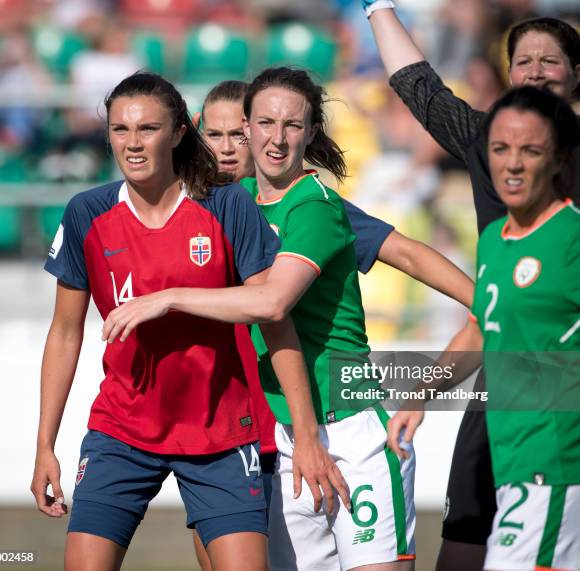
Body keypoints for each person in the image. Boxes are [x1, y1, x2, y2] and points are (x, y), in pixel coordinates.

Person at [103, 67, 478, 570]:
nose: (239, 144)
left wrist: (481, 306)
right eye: (221, 134)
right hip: (256, 438)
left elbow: (396, 257)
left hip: (340, 426)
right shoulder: (210, 213)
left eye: (288, 126)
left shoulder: (313, 208)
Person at [30, 71, 349, 571]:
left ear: (180, 133)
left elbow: (274, 318)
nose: (133, 144)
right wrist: (45, 445)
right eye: (119, 130)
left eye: (148, 129)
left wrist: (306, 435)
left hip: (220, 433)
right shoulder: (85, 214)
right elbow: (65, 332)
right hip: (122, 430)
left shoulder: (227, 206)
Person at [362, 3, 580, 568]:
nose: (534, 69)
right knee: (464, 537)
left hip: (558, 411)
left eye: (549, 60)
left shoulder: (567, 232)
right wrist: (377, 7)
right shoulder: (495, 184)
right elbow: (420, 89)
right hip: (505, 387)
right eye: (522, 60)